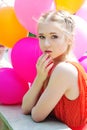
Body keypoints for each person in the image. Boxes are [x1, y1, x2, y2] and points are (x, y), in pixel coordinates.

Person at [22, 10, 87, 130]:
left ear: (69, 39)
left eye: (54, 36)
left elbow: (37, 115)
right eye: (42, 37)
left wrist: (40, 79)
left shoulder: (65, 69)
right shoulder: (51, 64)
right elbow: (25, 108)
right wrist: (39, 78)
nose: (46, 44)